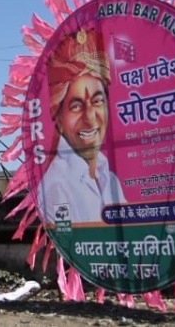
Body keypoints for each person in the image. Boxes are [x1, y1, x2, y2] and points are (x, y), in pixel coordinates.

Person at [37, 26, 126, 225]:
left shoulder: (110, 180)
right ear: (58, 118)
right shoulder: (56, 186)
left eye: (97, 101)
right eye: (76, 106)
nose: (90, 118)